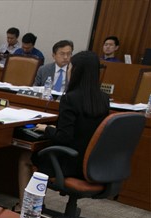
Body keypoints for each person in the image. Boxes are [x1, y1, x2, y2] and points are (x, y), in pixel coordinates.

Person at [18, 51, 110, 204]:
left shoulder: (70, 99)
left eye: (70, 67)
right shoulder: (103, 99)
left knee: (25, 157)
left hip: (70, 163)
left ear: (76, 72)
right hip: (93, 164)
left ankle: (26, 207)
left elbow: (64, 137)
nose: (68, 70)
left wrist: (46, 129)